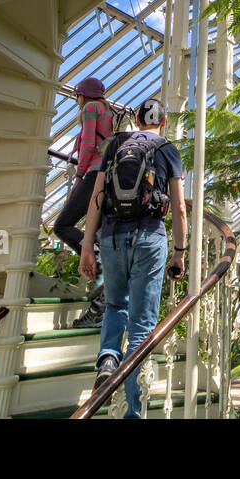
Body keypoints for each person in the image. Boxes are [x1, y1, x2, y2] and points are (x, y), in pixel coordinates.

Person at [79, 97, 187, 418]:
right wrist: (179, 253)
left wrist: (87, 246)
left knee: (115, 305)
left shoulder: (115, 144)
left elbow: (97, 198)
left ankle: (108, 358)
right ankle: (132, 413)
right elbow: (179, 208)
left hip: (112, 236)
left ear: (137, 119)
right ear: (163, 122)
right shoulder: (168, 150)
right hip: (149, 238)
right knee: (142, 326)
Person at [53, 78, 114, 326]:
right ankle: (100, 305)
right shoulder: (108, 111)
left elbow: (89, 144)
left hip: (94, 176)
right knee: (97, 235)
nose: (76, 100)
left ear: (83, 95)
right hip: (108, 178)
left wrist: (79, 176)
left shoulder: (91, 109)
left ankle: (96, 265)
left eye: (77, 95)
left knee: (62, 225)